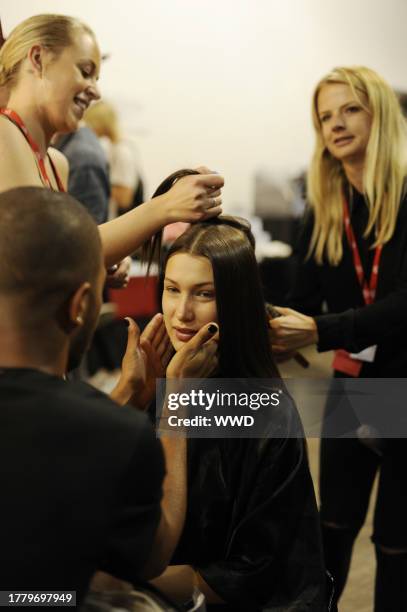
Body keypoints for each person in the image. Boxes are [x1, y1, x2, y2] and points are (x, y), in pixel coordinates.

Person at [0, 186, 219, 606]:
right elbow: (154, 556)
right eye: (172, 290)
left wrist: (125, 394)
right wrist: (175, 402)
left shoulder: (103, 425)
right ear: (80, 305)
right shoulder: (116, 433)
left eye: (204, 293)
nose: (183, 313)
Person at [269, 66, 407, 610]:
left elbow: (402, 303)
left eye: (350, 110)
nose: (335, 124)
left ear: (381, 116)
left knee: (395, 545)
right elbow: (300, 297)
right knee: (331, 528)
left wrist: (322, 330)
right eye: (325, 116)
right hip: (355, 384)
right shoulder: (326, 208)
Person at [0, 14, 223, 268]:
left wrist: (101, 265)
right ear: (38, 59)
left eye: (96, 79)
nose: (96, 91)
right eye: (85, 72)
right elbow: (48, 257)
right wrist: (165, 206)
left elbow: (54, 261)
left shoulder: (57, 163)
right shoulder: (4, 135)